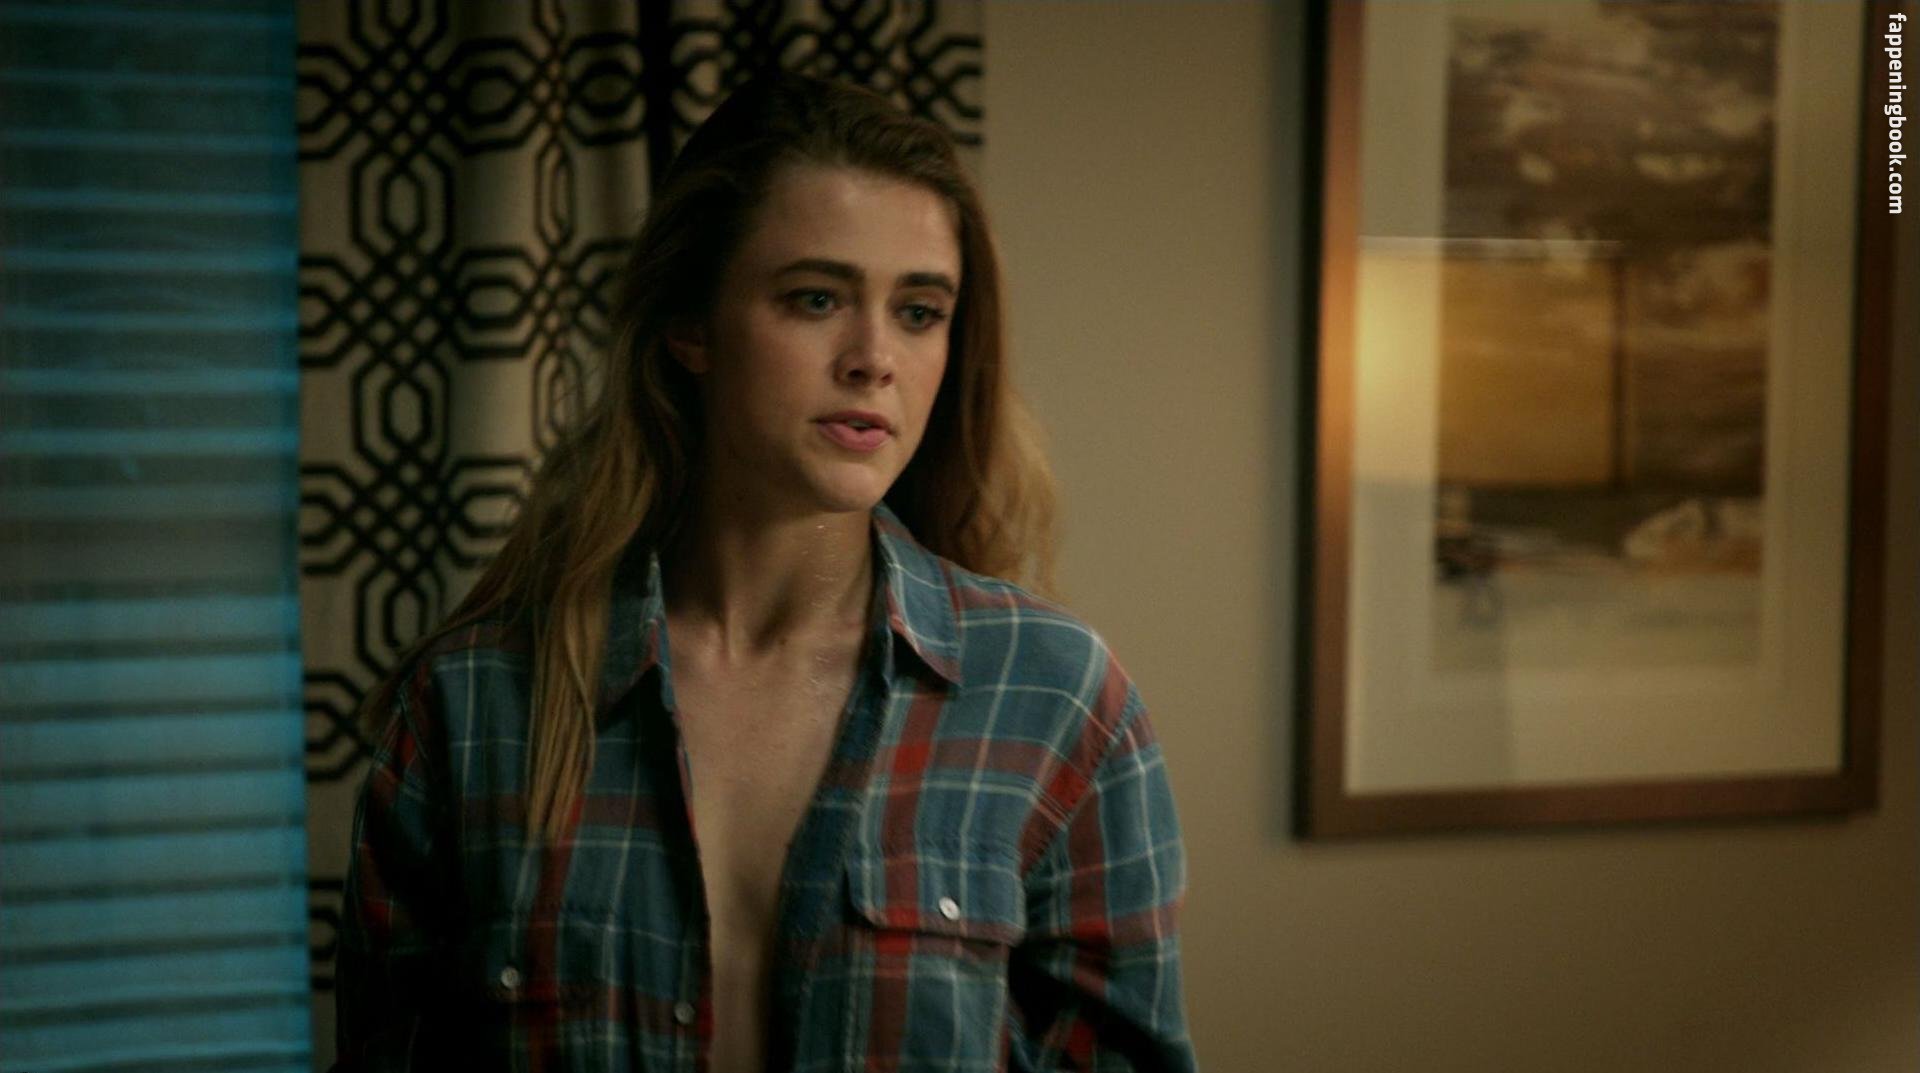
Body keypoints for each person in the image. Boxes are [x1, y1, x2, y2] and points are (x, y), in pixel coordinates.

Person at [333, 70, 1197, 1072]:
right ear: (691, 324)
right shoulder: (476, 704)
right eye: (816, 298)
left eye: (920, 311)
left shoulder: (1055, 701)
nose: (873, 357)